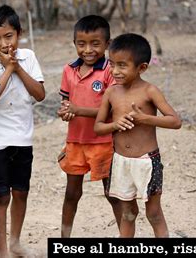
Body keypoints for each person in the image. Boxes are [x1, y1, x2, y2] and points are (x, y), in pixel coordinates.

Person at [94, 33, 181, 237]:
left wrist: (146, 119)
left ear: (141, 67)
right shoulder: (111, 92)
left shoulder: (150, 91)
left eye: (122, 65)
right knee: (128, 213)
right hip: (121, 161)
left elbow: (175, 121)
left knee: (153, 213)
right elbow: (98, 127)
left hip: (146, 161)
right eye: (112, 64)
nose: (115, 71)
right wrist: (114, 125)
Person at [0, 5, 45, 257]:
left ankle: (16, 241)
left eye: (9, 36)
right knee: (1, 196)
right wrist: (8, 68)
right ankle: (3, 250)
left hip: (22, 136)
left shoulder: (28, 57)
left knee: (20, 191)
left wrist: (18, 67)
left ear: (19, 33)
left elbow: (39, 94)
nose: (4, 43)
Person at [56, 15, 121, 237]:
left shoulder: (109, 71)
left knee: (112, 193)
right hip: (75, 141)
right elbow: (66, 102)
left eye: (95, 43)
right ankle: (65, 239)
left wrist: (78, 109)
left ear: (107, 44)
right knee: (72, 193)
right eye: (81, 44)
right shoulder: (69, 70)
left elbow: (112, 110)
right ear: (74, 43)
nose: (88, 50)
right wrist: (65, 111)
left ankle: (126, 237)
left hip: (103, 142)